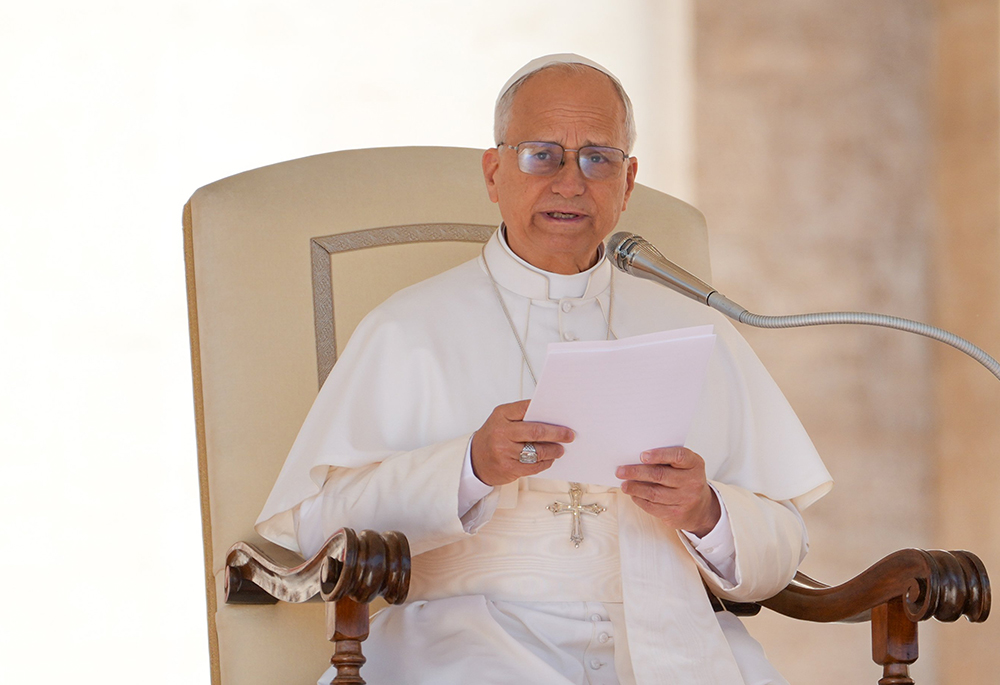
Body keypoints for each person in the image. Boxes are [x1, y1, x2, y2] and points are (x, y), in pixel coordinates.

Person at [256, 54, 832, 685]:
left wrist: (707, 511)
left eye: (597, 158)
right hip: (468, 642)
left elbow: (786, 542)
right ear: (494, 171)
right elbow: (313, 532)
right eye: (541, 154)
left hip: (672, 639)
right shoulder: (408, 328)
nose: (569, 182)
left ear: (628, 180)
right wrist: (469, 467)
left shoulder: (698, 329)